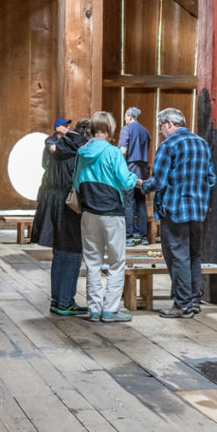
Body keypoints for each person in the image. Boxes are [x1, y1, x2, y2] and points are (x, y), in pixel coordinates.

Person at [139, 108, 216, 319]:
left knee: (178, 257)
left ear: (169, 124)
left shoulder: (168, 145)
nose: (161, 131)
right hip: (198, 211)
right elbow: (212, 179)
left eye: (161, 127)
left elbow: (158, 182)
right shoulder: (202, 144)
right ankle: (193, 301)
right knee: (193, 255)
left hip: (174, 210)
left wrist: (141, 185)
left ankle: (181, 305)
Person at [74, 111, 139, 323]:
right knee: (116, 263)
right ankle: (110, 310)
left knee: (92, 263)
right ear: (109, 131)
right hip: (111, 213)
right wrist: (136, 179)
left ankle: (94, 309)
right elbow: (124, 181)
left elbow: (76, 184)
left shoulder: (81, 152)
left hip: (89, 213)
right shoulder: (113, 153)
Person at [31, 118, 90, 316]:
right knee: (73, 254)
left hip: (52, 202)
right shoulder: (78, 149)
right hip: (69, 204)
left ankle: (58, 300)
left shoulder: (54, 145)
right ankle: (65, 301)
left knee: (59, 253)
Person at [118, 107, 151, 242]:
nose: (125, 119)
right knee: (141, 202)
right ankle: (144, 237)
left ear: (130, 116)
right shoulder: (145, 131)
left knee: (128, 203)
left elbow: (123, 150)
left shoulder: (126, 129)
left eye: (125, 116)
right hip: (142, 169)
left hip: (130, 168)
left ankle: (129, 237)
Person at [37, 117, 71, 199]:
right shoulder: (50, 140)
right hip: (52, 178)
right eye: (64, 125)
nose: (68, 127)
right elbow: (54, 149)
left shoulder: (69, 140)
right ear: (57, 128)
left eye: (68, 125)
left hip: (65, 179)